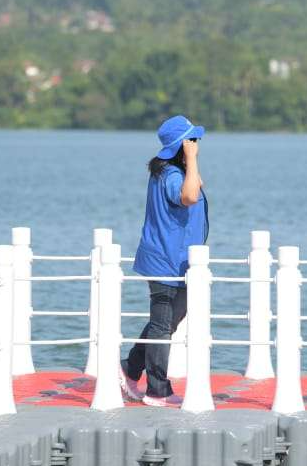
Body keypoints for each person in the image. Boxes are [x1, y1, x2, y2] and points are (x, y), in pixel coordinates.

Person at [119, 114, 209, 406]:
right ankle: (157, 390)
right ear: (181, 145)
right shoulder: (170, 175)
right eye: (191, 140)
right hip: (165, 259)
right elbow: (190, 197)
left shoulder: (173, 171)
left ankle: (130, 367)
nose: (196, 144)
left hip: (178, 259)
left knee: (168, 320)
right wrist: (191, 160)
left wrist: (190, 163)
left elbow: (195, 185)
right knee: (162, 324)